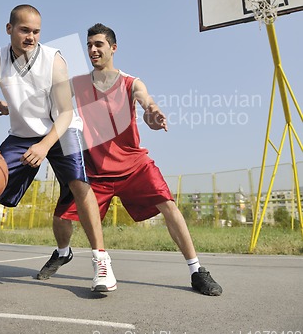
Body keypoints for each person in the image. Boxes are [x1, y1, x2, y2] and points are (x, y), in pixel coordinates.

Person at [37, 23, 223, 296]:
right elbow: (48, 100)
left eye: (99, 44)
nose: (93, 50)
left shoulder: (130, 82)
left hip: (133, 165)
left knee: (169, 205)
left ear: (113, 48)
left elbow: (145, 100)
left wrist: (153, 111)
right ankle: (63, 252)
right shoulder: (78, 83)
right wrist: (12, 107)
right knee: (60, 217)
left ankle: (196, 270)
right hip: (95, 170)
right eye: (89, 45)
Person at [0, 6, 116, 292]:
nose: (31, 36)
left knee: (79, 185)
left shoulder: (54, 60)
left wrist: (45, 145)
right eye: (24, 30)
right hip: (23, 135)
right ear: (9, 29)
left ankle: (101, 262)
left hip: (63, 129)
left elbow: (66, 113)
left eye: (36, 31)